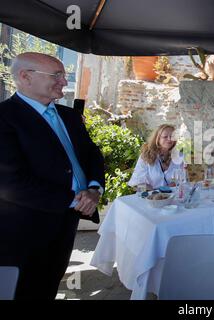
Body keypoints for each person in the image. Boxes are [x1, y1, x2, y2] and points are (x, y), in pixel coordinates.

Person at [0, 52, 105, 299]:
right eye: (56, 75)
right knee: (23, 289)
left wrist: (93, 188)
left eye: (64, 75)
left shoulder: (69, 116)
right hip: (25, 228)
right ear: (25, 77)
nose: (64, 82)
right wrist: (76, 200)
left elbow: (92, 155)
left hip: (66, 221)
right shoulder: (4, 118)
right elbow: (9, 183)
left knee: (49, 284)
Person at [128, 124, 185, 190]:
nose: (169, 139)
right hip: (151, 198)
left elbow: (183, 180)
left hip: (173, 197)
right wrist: (152, 191)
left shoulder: (179, 156)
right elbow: (135, 185)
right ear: (157, 138)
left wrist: (176, 184)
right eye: (165, 137)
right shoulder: (146, 155)